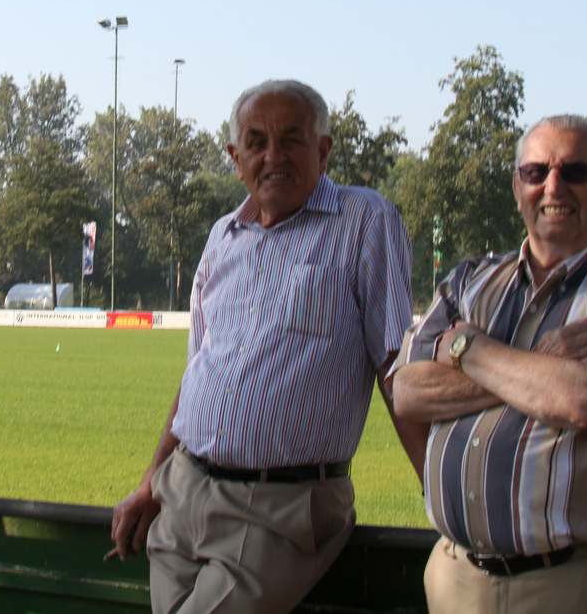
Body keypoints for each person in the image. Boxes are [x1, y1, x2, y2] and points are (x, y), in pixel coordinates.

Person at [110, 80, 424, 614]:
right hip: (182, 492)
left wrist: (441, 496)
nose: (273, 156)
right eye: (256, 142)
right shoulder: (222, 237)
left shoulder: (364, 221)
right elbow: (197, 375)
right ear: (236, 160)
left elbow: (397, 368)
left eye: (291, 140)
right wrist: (150, 483)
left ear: (323, 150)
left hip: (280, 508)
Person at [392, 114, 587, 614]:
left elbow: (582, 400)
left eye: (575, 171)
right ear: (517, 186)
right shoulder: (469, 282)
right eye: (536, 171)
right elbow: (408, 393)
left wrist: (468, 350)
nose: (553, 186)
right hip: (456, 578)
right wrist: (536, 367)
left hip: (577, 581)